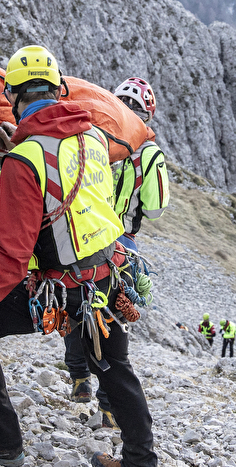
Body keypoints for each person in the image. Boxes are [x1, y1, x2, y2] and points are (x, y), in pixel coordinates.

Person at [0, 45, 159, 467]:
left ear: (15, 98)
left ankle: (3, 440)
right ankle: (141, 466)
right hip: (109, 277)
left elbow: (10, 261)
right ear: (60, 91)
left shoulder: (25, 160)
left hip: (64, 290)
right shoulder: (94, 137)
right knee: (115, 367)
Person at [66, 76, 169, 422]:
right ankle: (109, 408)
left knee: (76, 303)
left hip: (85, 234)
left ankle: (79, 375)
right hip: (122, 240)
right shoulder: (150, 153)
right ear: (148, 116)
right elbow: (155, 208)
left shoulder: (93, 134)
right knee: (116, 318)